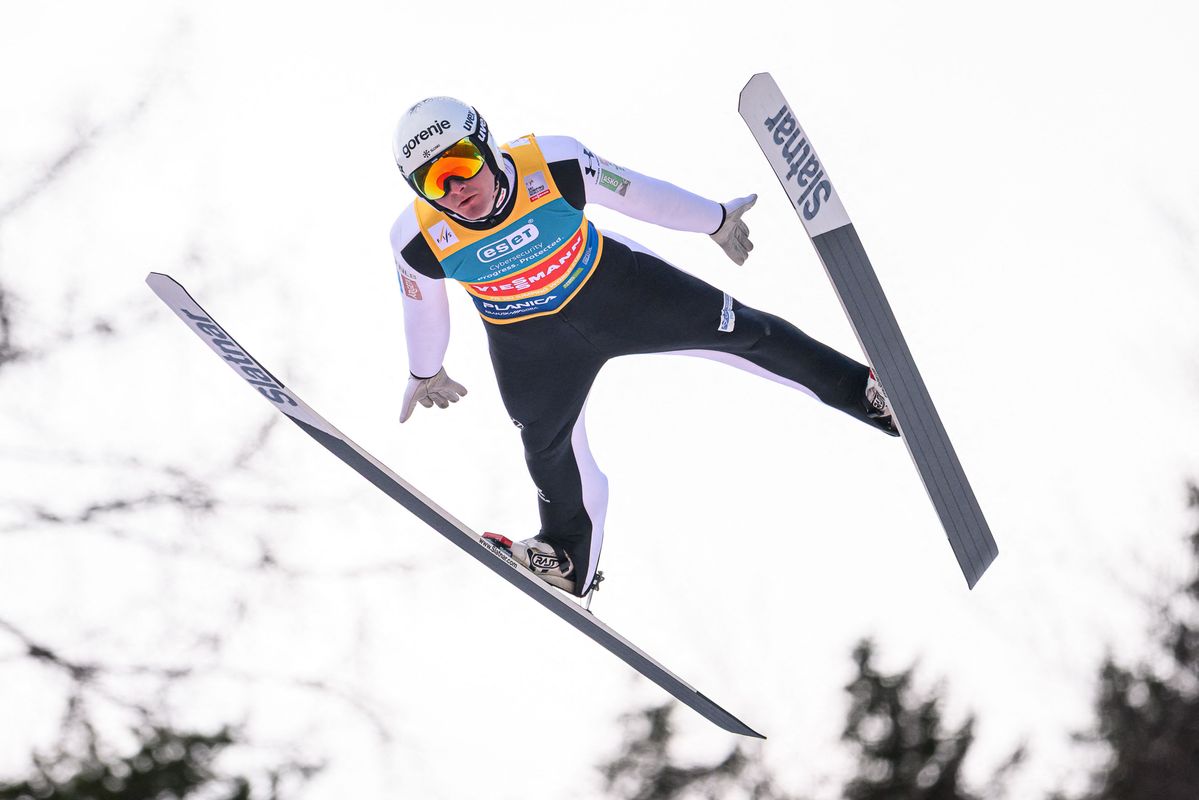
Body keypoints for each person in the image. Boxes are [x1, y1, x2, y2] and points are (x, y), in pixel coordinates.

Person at [389, 97, 897, 599]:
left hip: (615, 291)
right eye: (434, 182)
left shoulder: (552, 161)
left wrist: (714, 219)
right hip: (529, 344)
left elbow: (636, 193)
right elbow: (423, 308)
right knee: (546, 447)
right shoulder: (417, 238)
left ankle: (867, 393)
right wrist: (424, 371)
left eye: (461, 166)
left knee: (746, 333)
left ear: (486, 146)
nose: (455, 190)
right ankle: (568, 556)